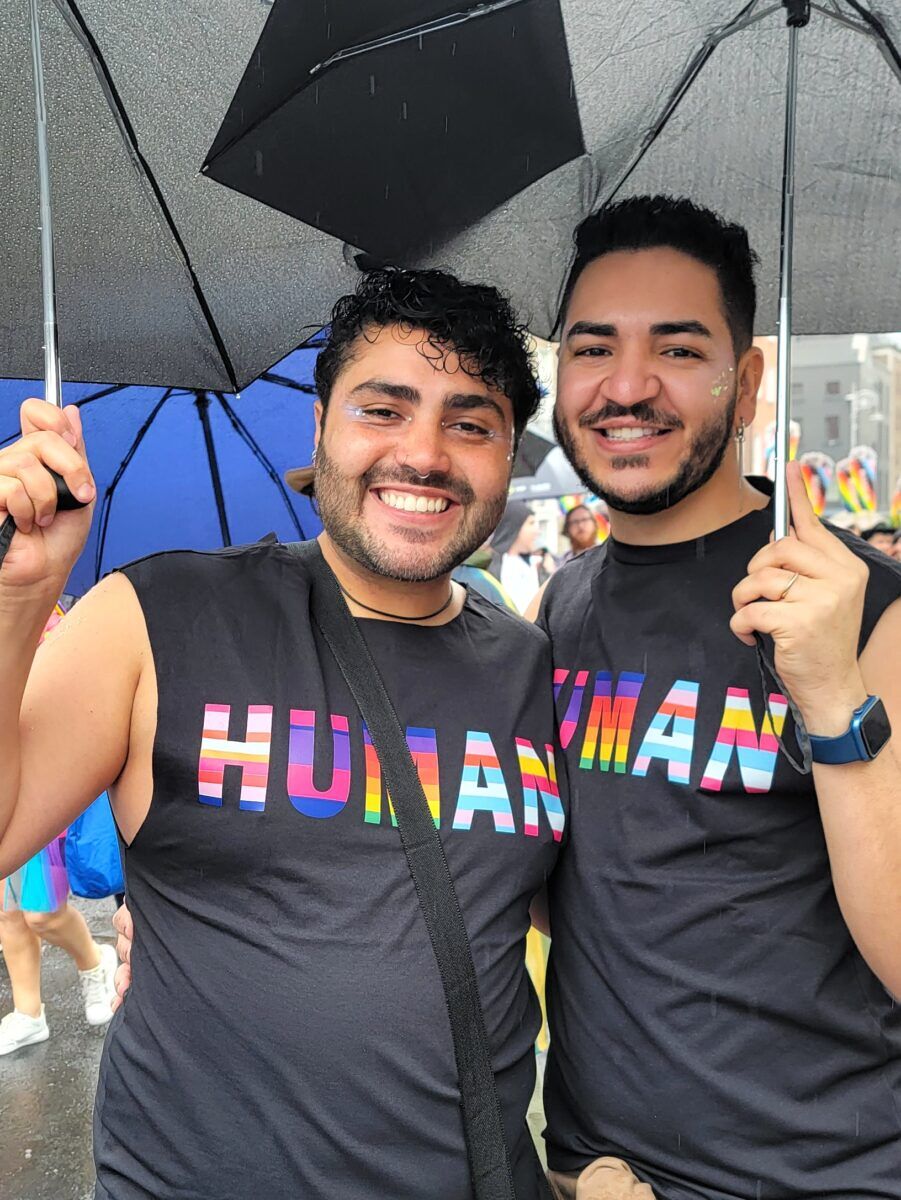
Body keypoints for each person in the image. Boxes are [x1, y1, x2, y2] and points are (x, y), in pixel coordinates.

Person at [0, 268, 567, 1200]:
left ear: (508, 454)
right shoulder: (156, 615)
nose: (422, 454)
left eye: (470, 424)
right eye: (382, 409)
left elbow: (598, 919)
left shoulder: (531, 666)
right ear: (319, 426)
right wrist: (18, 600)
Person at [532, 196, 901, 1200]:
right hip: (595, 1172)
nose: (627, 385)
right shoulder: (560, 605)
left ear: (746, 386)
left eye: (678, 348)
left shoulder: (864, 609)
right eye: (592, 348)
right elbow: (571, 893)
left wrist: (834, 698)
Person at [0, 836, 117, 1055]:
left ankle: (95, 963)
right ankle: (28, 1013)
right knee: (8, 910)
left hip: (43, 822)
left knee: (43, 916)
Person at [489, 499, 553, 613]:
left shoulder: (538, 564)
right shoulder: (491, 567)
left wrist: (549, 574)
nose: (537, 531)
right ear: (515, 526)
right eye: (531, 523)